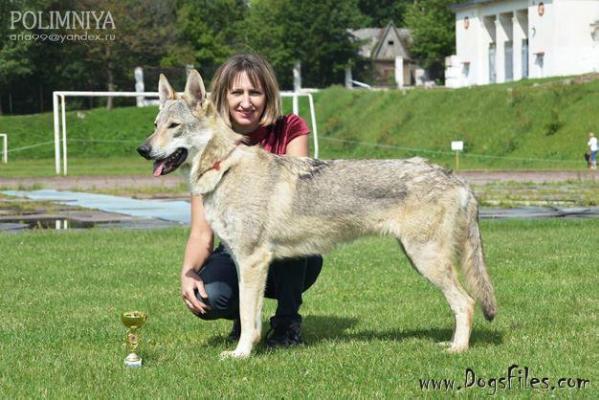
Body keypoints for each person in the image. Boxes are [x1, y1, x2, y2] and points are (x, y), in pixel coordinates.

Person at [179, 53, 323, 348]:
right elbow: (201, 232)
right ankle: (244, 320)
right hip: (235, 248)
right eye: (237, 93)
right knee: (214, 295)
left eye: (255, 92)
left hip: (290, 248)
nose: (246, 102)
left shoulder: (290, 128)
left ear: (267, 95)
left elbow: (299, 198)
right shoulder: (208, 142)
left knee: (290, 235)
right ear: (223, 96)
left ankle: (287, 324)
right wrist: (188, 272)